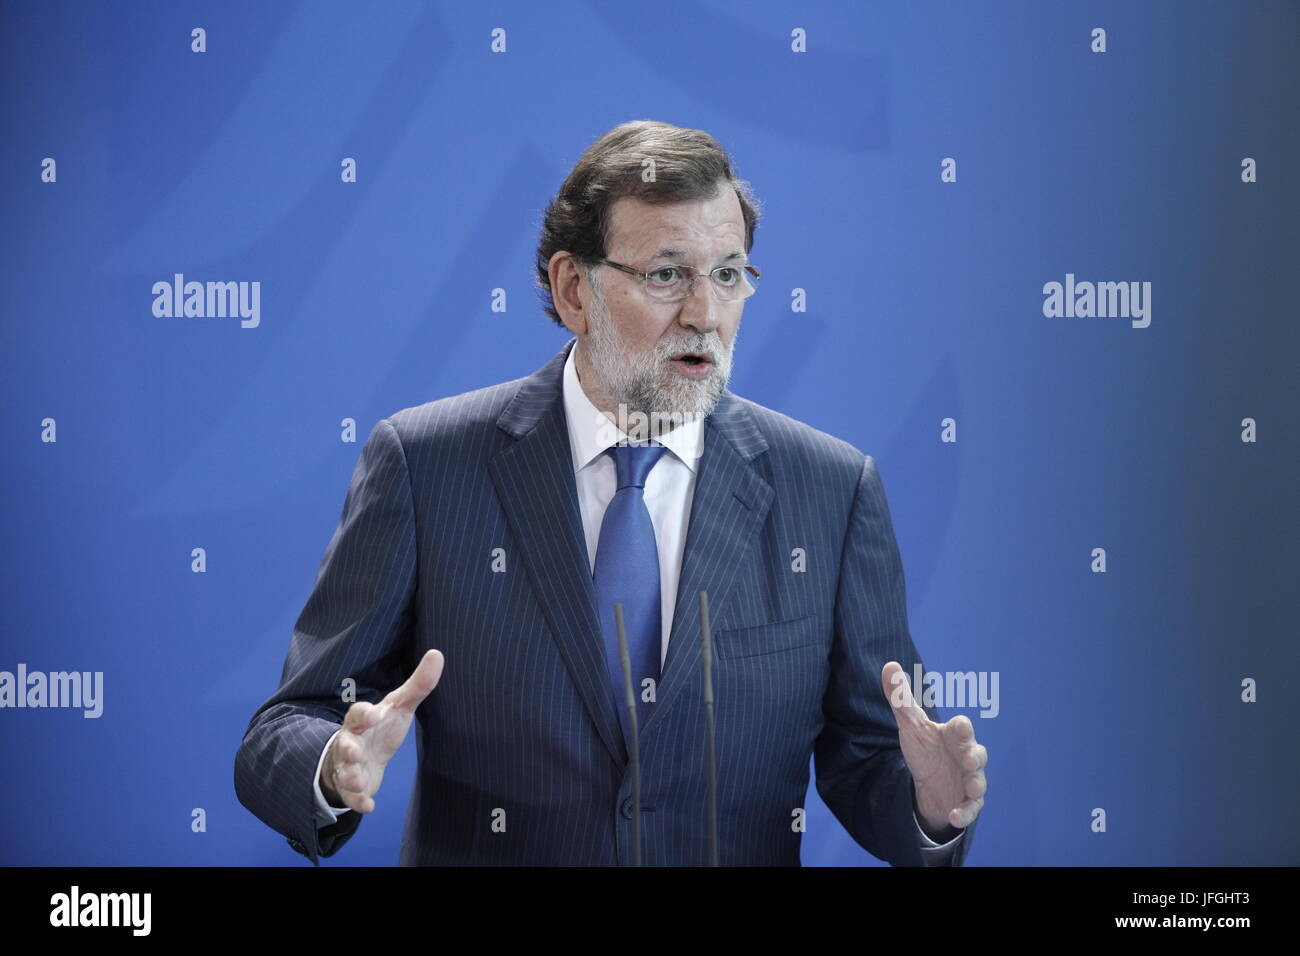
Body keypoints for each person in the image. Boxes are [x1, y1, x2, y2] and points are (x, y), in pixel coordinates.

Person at [234, 120, 987, 866]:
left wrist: (929, 806)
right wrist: (331, 761)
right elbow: (286, 725)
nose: (705, 313)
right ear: (574, 290)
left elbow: (870, 758)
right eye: (667, 275)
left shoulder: (831, 491)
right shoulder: (427, 465)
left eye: (728, 274)